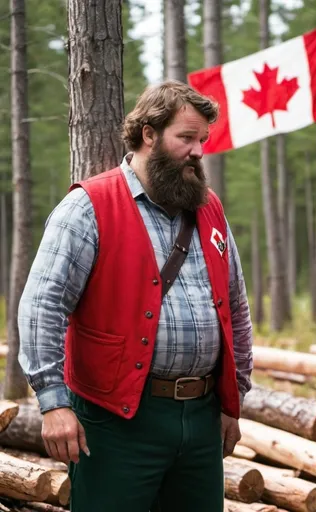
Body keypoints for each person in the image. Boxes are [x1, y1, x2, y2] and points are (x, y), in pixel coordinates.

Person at [18, 80, 253, 512]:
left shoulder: (209, 207)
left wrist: (233, 399)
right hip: (116, 422)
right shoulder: (89, 206)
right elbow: (42, 307)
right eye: (186, 138)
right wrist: (53, 403)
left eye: (202, 139)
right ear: (149, 134)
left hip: (202, 420)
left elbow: (235, 307)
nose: (199, 151)